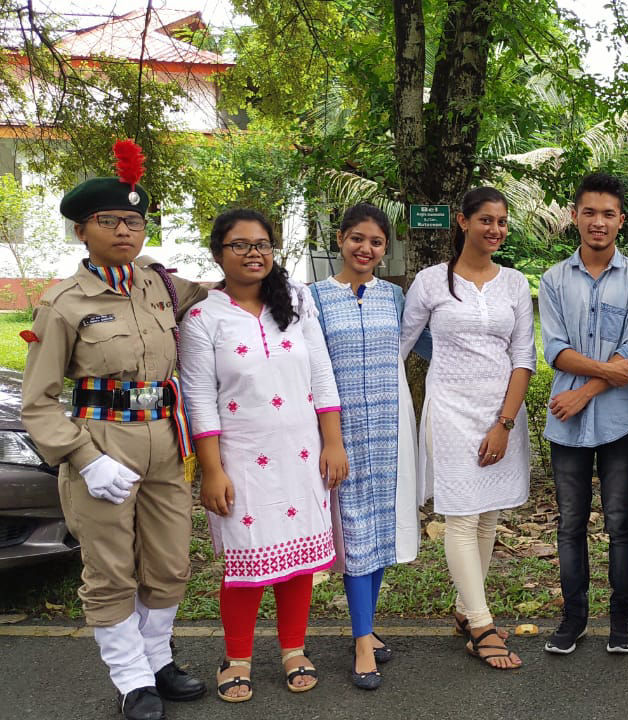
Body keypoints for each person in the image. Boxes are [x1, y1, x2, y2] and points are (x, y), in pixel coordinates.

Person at [20, 141, 208, 720]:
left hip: (164, 445)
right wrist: (83, 458)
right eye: (111, 221)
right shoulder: (64, 304)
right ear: (83, 230)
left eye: (135, 220)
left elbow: (225, 295)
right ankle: (132, 681)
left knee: (171, 564)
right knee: (110, 571)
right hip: (102, 446)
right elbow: (38, 402)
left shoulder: (161, 285)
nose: (125, 231)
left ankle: (156, 659)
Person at [180, 208, 348, 703]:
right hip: (240, 459)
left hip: (301, 452)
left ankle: (294, 648)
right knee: (247, 560)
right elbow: (199, 399)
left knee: (298, 559)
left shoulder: (295, 301)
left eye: (263, 245)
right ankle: (237, 658)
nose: (254, 253)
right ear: (218, 254)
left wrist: (332, 442)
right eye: (241, 245)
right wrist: (211, 470)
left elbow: (321, 374)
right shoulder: (202, 317)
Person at [400, 187, 536, 670]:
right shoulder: (432, 282)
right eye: (485, 220)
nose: (495, 230)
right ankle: (481, 624)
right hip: (450, 412)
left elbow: (523, 358)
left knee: (487, 516)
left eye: (501, 221)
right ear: (462, 222)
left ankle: (463, 610)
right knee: (460, 515)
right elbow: (402, 343)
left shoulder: (516, 284)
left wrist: (504, 422)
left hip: (501, 414)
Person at [539, 173, 628, 655]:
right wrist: (599, 375)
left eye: (608, 214)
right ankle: (574, 617)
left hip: (615, 422)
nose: (598, 222)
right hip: (565, 427)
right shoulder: (552, 279)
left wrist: (583, 392)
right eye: (589, 212)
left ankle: (622, 619)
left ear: (620, 221)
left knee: (619, 521)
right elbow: (555, 350)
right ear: (574, 216)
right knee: (569, 524)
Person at [310, 203, 422, 689]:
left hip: (390, 425)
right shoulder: (312, 297)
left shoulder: (394, 297)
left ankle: (367, 628)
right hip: (340, 429)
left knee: (378, 529)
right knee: (353, 529)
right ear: (340, 240)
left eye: (376, 242)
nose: (366, 249)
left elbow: (424, 344)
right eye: (357, 239)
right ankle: (360, 640)